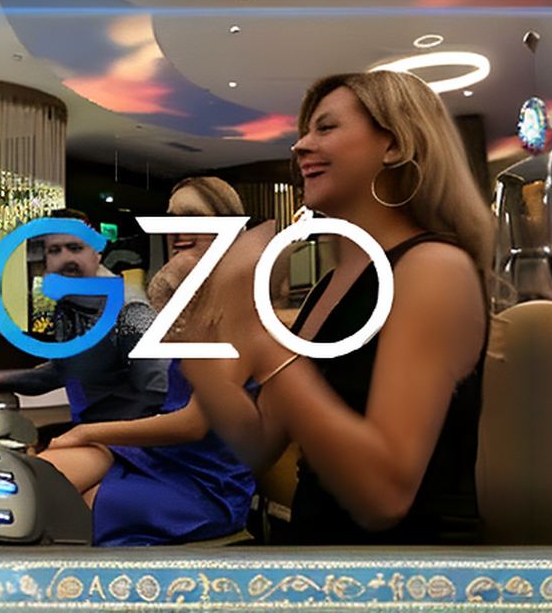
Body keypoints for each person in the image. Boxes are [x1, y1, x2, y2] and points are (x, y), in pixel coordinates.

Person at [182, 71, 494, 544]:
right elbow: (259, 444)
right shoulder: (332, 283)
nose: (300, 146)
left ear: (394, 145)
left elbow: (385, 495)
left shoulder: (434, 267)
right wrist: (201, 346)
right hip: (318, 549)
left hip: (409, 566)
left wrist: (265, 347)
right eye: (305, 132)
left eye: (325, 128)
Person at [39, 177, 256, 546]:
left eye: (192, 218)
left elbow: (193, 425)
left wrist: (87, 431)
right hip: (158, 457)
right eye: (170, 218)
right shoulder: (193, 305)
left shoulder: (238, 309)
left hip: (203, 482)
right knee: (38, 480)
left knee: (66, 512)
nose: (177, 230)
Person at [0, 209, 169, 424]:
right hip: (91, 427)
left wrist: (95, 435)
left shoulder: (131, 308)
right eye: (55, 250)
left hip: (120, 436)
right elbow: (64, 371)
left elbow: (157, 392)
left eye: (75, 248)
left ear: (96, 253)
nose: (65, 258)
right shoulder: (70, 307)